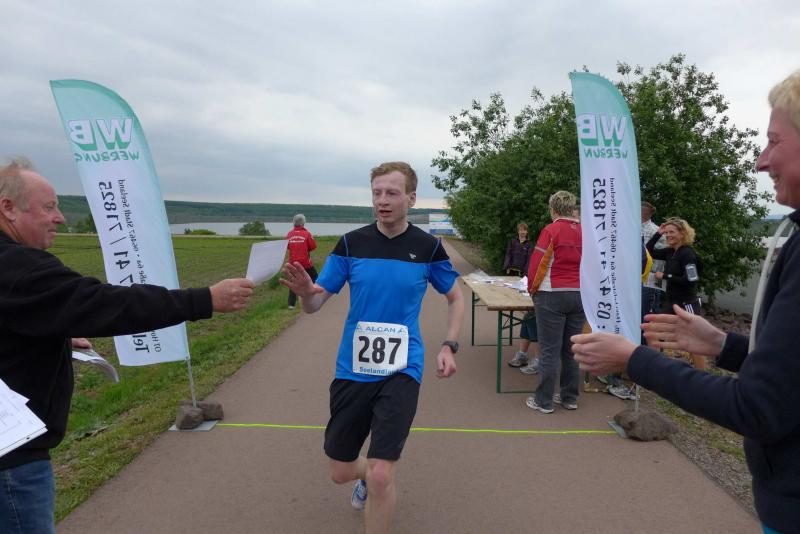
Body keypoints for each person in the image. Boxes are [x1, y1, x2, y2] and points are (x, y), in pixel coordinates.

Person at [571, 70, 800, 534]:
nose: (761, 161)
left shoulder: (691, 256)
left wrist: (633, 359)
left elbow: (759, 407)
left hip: (792, 507)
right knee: (698, 345)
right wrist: (726, 345)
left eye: (774, 141)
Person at [0, 157, 254, 533]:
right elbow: (103, 303)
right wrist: (203, 300)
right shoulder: (17, 266)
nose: (60, 218)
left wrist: (55, 334)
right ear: (8, 208)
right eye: (49, 207)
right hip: (13, 461)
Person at [280, 161, 463, 534]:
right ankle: (366, 476)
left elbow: (455, 298)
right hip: (353, 368)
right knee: (339, 471)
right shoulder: (351, 243)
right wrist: (305, 294)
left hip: (403, 368)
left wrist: (449, 345)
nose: (382, 200)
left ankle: (378, 477)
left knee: (382, 474)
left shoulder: (428, 247)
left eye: (392, 193)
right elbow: (315, 304)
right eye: (377, 193)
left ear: (411, 198)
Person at [524, 191, 584, 414]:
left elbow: (538, 263)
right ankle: (569, 398)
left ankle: (544, 401)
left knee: (549, 350)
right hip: (579, 294)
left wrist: (532, 289)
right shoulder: (586, 231)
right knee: (571, 349)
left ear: (554, 209)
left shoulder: (551, 230)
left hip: (552, 293)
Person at [645, 216, 706, 369]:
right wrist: (658, 233)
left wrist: (666, 276)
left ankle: (702, 374)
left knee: (694, 340)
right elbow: (648, 250)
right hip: (672, 302)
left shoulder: (687, 253)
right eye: (667, 233)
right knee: (652, 331)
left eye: (671, 232)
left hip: (687, 303)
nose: (668, 235)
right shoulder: (670, 251)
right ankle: (656, 369)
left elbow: (692, 279)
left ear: (683, 233)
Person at [285, 213, 317, 309]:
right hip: (306, 263)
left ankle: (291, 304)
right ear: (303, 223)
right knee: (315, 278)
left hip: (293, 264)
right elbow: (313, 246)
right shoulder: (307, 234)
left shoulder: (289, 234)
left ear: (294, 223)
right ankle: (316, 296)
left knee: (293, 282)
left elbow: (287, 246)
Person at [641, 201, 667, 316]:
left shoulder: (656, 230)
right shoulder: (632, 228)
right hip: (636, 277)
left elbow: (663, 257)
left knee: (649, 314)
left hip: (651, 280)